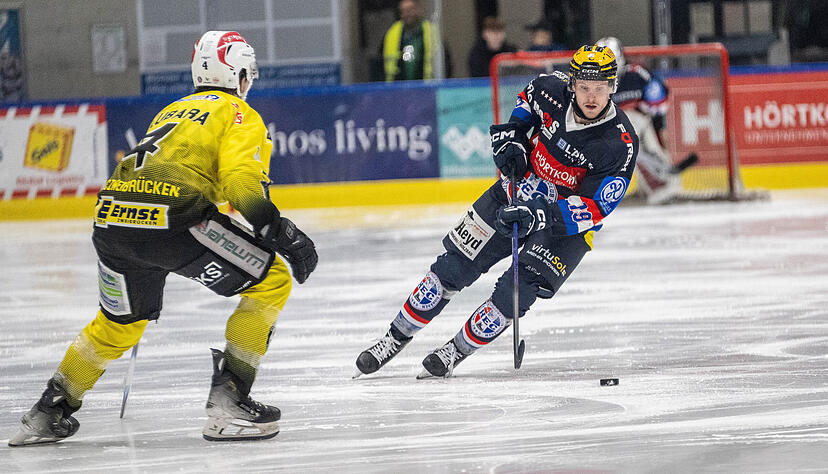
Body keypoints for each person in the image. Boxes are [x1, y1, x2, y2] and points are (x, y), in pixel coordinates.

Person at [9, 31, 318, 446]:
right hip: (175, 220)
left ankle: (49, 411)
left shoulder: (172, 110)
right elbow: (242, 185)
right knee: (272, 281)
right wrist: (282, 234)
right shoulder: (238, 113)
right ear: (240, 74)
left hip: (112, 221)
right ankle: (229, 402)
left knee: (118, 323)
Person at [354, 44, 638, 378]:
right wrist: (514, 138)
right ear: (572, 83)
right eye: (585, 87)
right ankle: (393, 338)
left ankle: (454, 352)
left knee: (515, 294)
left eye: (600, 88)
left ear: (612, 87)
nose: (591, 97)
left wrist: (541, 215)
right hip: (514, 192)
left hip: (563, 227)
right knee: (452, 268)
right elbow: (526, 101)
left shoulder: (620, 143)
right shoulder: (549, 89)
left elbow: (597, 205)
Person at [596, 36, 686, 204]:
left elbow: (659, 100)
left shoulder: (637, 74)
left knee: (647, 147)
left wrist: (660, 127)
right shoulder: (593, 84)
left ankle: (667, 186)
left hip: (641, 124)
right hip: (612, 132)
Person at [383, 0, 445, 81]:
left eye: (410, 9)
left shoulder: (431, 32)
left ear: (418, 10)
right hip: (398, 86)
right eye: (403, 11)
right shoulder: (392, 33)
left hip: (426, 85)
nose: (407, 14)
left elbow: (444, 61)